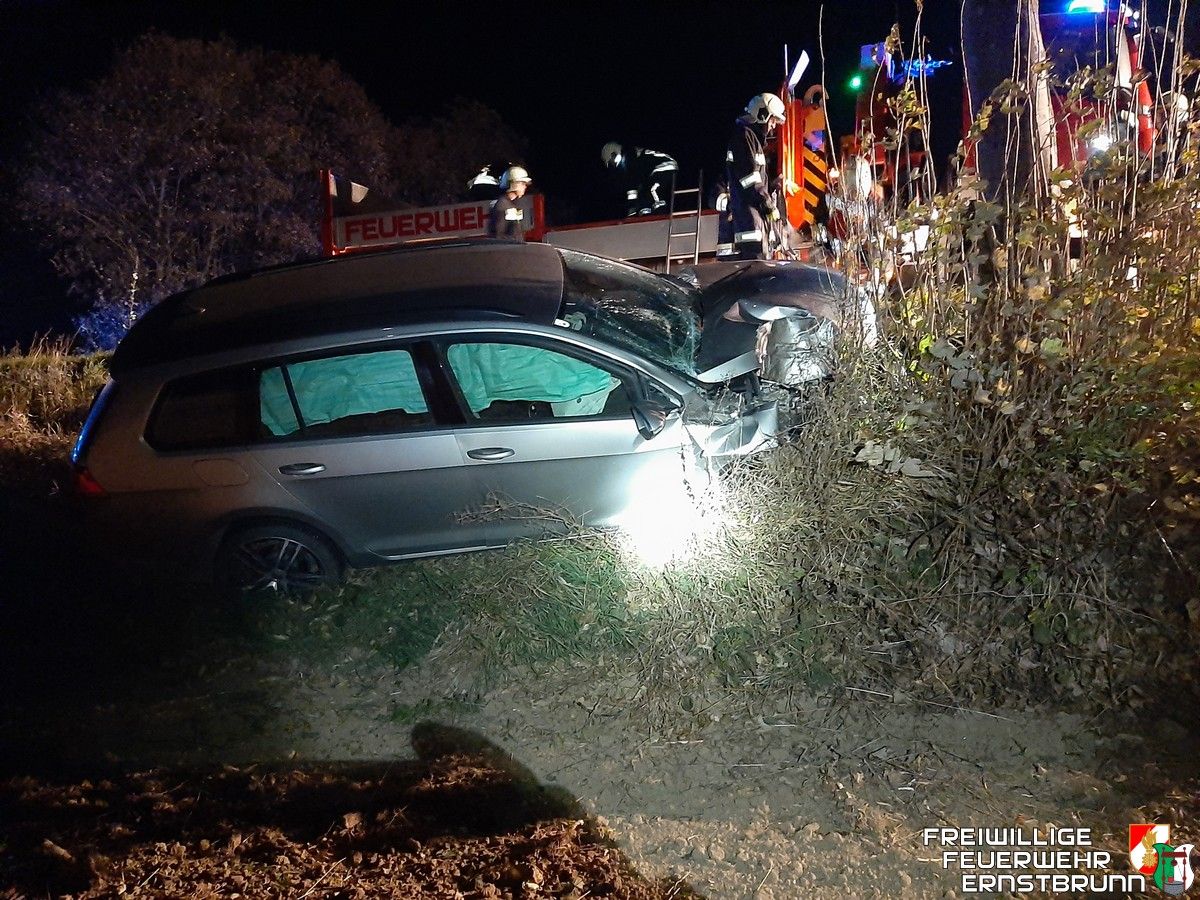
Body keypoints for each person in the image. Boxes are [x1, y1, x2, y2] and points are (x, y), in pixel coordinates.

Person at [726, 92, 786, 259]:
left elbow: (754, 179)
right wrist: (769, 205)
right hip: (749, 219)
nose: (773, 126)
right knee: (756, 270)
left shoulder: (751, 139)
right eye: (773, 120)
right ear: (762, 115)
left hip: (754, 217)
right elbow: (750, 180)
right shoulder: (744, 137)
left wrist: (772, 186)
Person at [601, 142, 679, 216]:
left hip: (665, 164)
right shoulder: (629, 159)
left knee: (652, 189)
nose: (613, 163)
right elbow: (636, 184)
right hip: (656, 170)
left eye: (612, 159)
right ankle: (646, 211)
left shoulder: (629, 157)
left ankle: (660, 209)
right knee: (644, 191)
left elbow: (632, 184)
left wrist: (632, 210)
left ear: (615, 152)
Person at [487, 166, 532, 240]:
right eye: (522, 183)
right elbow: (499, 236)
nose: (525, 187)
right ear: (513, 184)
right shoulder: (502, 206)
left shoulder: (511, 204)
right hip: (509, 249)